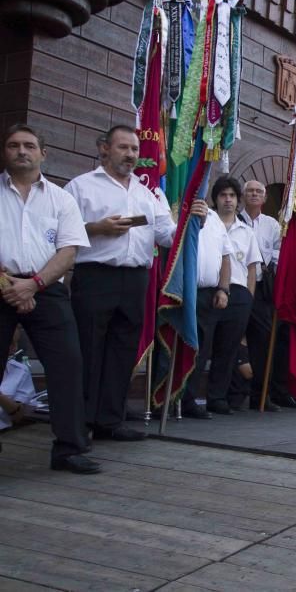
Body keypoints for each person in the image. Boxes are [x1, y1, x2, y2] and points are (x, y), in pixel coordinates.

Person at [64, 126, 196, 440]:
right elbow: (60, 233)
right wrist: (96, 228)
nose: (131, 155)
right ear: (104, 149)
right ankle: (80, 424)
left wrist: (191, 220)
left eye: (135, 149)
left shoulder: (146, 192)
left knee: (123, 351)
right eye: (123, 148)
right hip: (96, 276)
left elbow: (166, 234)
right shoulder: (80, 187)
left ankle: (110, 421)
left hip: (136, 279)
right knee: (89, 350)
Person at [0, 124, 99, 473]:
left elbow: (68, 251)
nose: (21, 151)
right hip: (1, 284)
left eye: (29, 145)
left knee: (68, 366)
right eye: (13, 145)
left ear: (43, 153)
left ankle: (69, 449)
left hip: (48, 288)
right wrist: (11, 285)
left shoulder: (61, 199)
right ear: (5, 152)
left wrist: (34, 285)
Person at [195, 176, 260, 415]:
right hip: (212, 290)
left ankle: (217, 397)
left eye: (232, 196)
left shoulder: (246, 231)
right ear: (216, 199)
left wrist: (249, 301)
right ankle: (190, 395)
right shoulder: (207, 222)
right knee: (203, 344)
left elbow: (252, 269)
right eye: (223, 195)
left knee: (228, 349)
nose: (228, 200)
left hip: (239, 293)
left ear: (238, 200)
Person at [239, 180, 293, 410]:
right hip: (236, 285)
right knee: (231, 338)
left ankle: (260, 395)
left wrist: (271, 263)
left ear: (264, 198)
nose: (254, 194)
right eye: (250, 191)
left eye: (259, 192)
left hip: (261, 288)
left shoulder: (271, 224)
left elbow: (280, 251)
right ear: (243, 195)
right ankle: (227, 395)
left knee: (262, 342)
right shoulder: (235, 220)